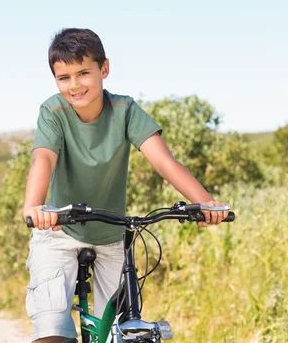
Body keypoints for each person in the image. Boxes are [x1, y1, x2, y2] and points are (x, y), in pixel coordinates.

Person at [23, 28, 228, 342]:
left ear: (104, 69)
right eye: (64, 78)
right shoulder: (53, 112)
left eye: (83, 73)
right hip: (58, 231)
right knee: (51, 328)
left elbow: (164, 162)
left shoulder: (125, 110)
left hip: (110, 234)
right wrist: (35, 207)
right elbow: (43, 160)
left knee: (121, 331)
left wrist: (205, 203)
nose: (75, 85)